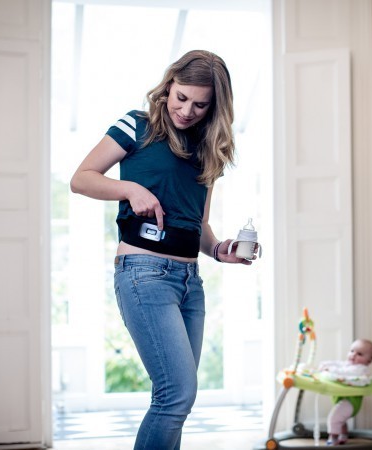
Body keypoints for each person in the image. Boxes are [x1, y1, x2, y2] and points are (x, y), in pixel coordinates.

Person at [70, 49, 257, 450]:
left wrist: (219, 248)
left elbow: (199, 224)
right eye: (181, 97)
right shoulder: (136, 126)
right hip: (144, 273)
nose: (187, 110)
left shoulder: (211, 149)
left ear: (215, 106)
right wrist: (129, 188)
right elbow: (81, 178)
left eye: (200, 104)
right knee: (175, 395)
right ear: (169, 85)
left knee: (177, 400)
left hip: (190, 282)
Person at [318, 339, 372, 446]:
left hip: (351, 401)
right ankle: (343, 436)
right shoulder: (348, 364)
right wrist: (325, 364)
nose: (353, 355)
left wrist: (330, 369)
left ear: (369, 361)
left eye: (359, 354)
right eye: (352, 351)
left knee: (334, 417)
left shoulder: (361, 369)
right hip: (342, 397)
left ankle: (333, 439)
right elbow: (337, 363)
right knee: (341, 419)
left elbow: (345, 372)